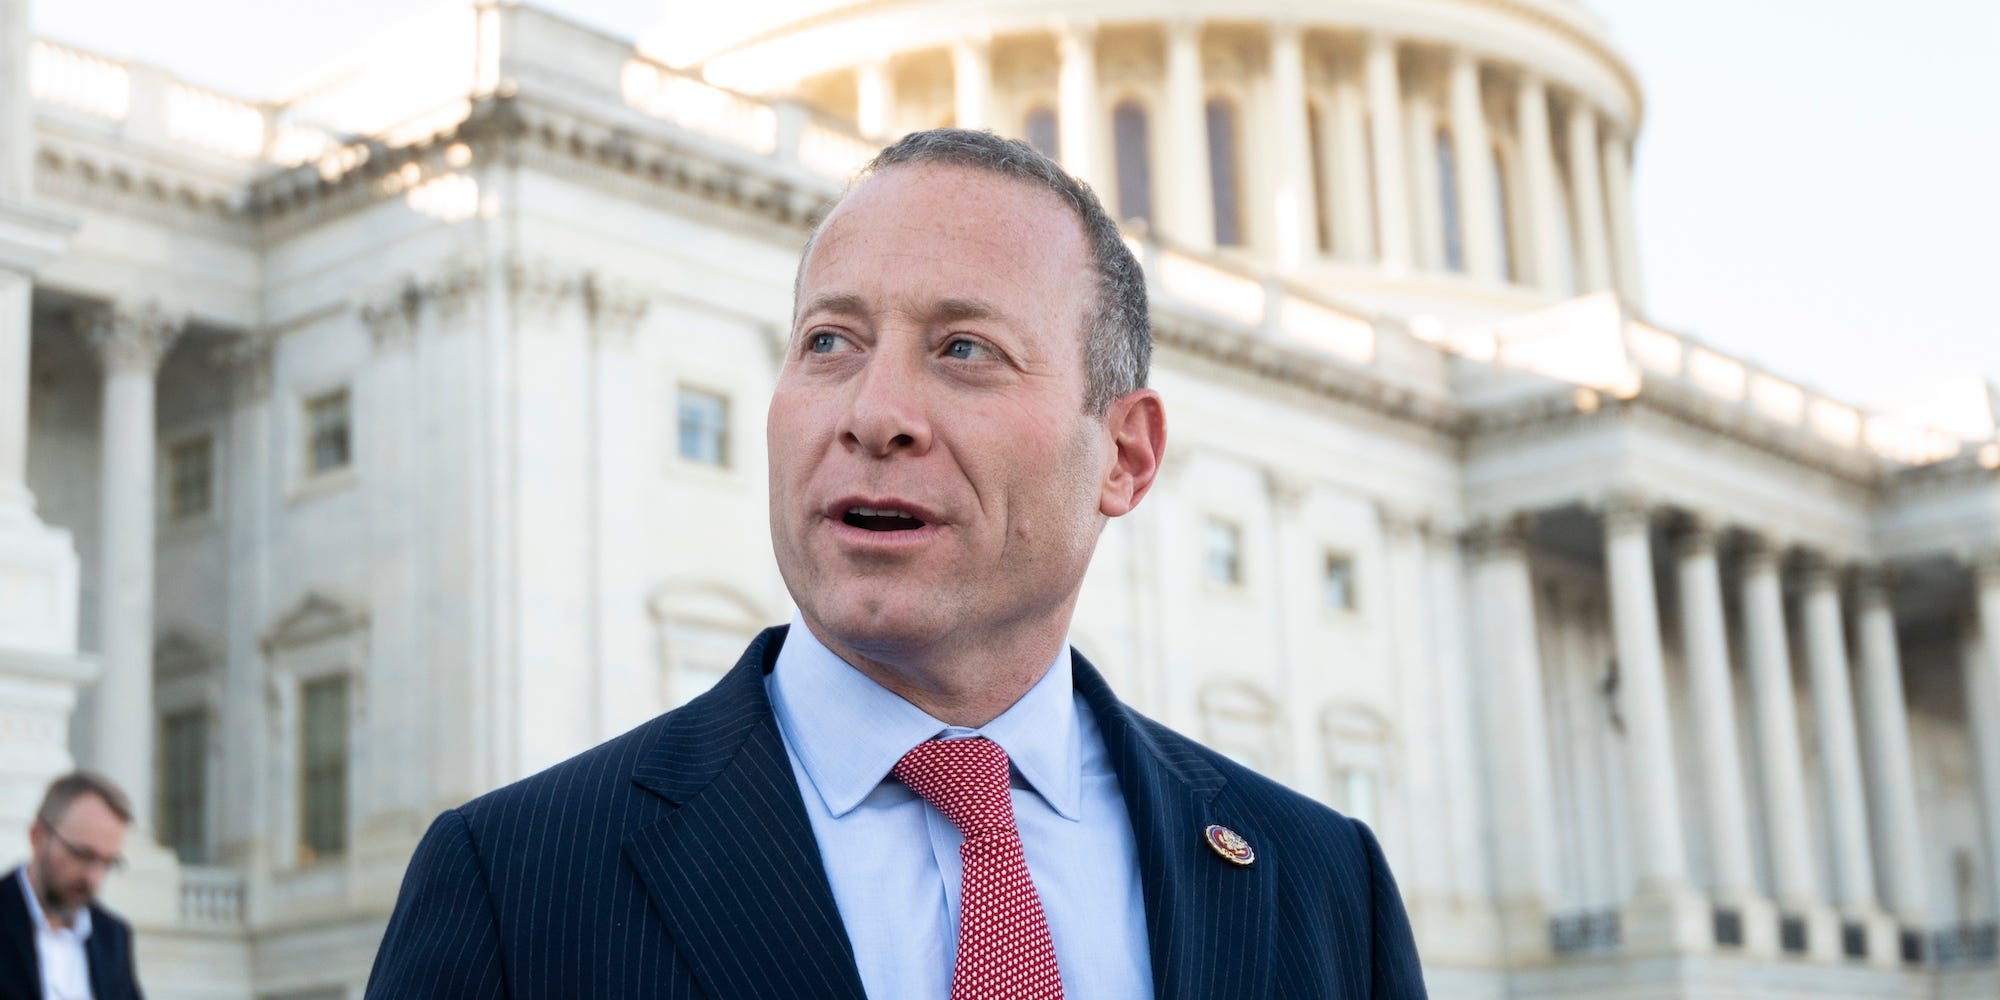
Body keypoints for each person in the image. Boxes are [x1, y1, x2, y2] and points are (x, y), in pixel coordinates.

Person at [367, 128, 1426, 998]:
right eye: (828, 341)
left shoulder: (1325, 892)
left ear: (1124, 453)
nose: (873, 415)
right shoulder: (512, 887)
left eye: (963, 349)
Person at [1, 771, 145, 1000]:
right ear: (37, 836)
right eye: (82, 855)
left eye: (108, 862)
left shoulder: (113, 937)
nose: (94, 878)